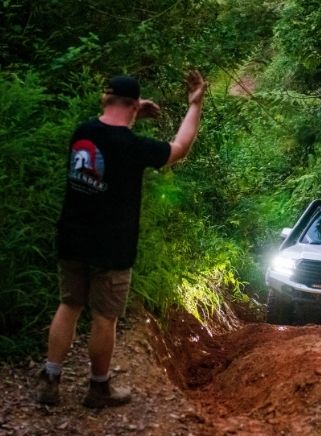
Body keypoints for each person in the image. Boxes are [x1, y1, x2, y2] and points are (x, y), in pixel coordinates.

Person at [36, 71, 207, 408]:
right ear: (133, 104)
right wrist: (195, 105)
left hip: (71, 238)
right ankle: (98, 388)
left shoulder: (82, 133)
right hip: (111, 248)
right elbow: (180, 147)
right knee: (104, 318)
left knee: (68, 306)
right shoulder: (133, 147)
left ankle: (50, 378)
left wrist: (130, 113)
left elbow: (109, 135)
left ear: (104, 98)